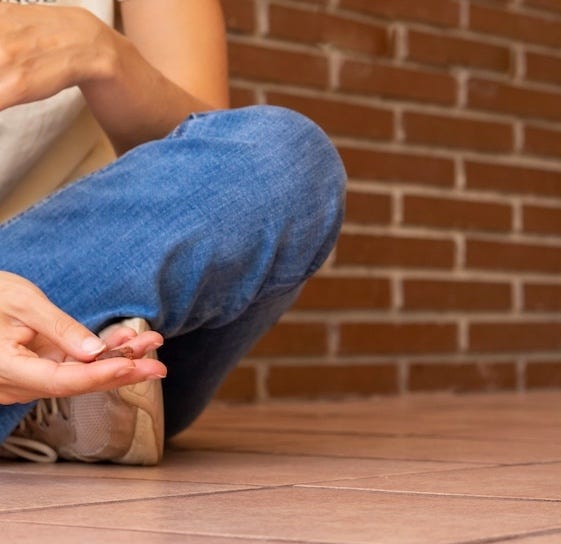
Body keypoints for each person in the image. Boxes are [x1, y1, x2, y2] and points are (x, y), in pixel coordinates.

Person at [0, 0, 345, 464]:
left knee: (282, 162)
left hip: (76, 292)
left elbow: (208, 165)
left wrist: (100, 52)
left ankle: (59, 396)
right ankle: (39, 410)